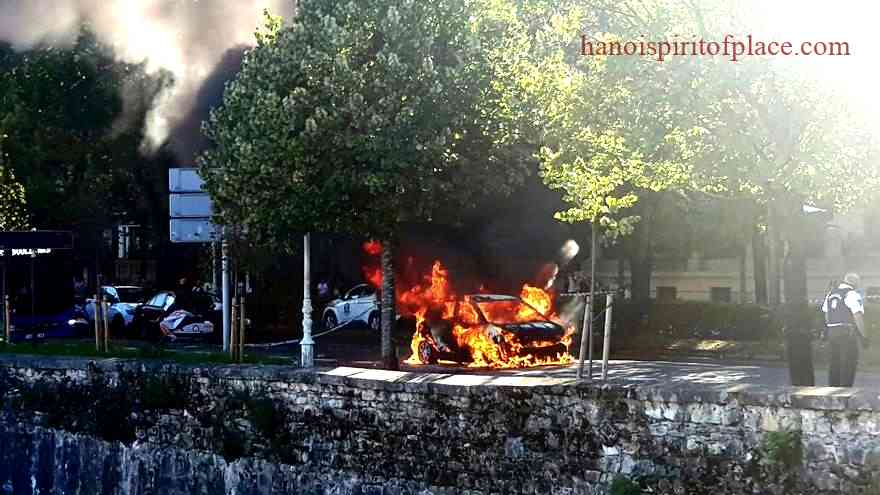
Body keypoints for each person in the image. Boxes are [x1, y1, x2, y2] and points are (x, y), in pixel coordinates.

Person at [821, 272, 869, 387]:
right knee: (849, 362)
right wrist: (864, 336)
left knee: (834, 362)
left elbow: (827, 315)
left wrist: (829, 328)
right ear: (855, 282)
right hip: (847, 332)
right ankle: (845, 390)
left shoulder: (831, 293)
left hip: (832, 331)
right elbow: (857, 316)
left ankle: (833, 389)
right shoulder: (852, 294)